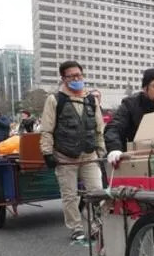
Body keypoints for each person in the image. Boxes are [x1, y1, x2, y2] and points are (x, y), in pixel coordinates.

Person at [40, 60, 106, 240]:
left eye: (79, 75)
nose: (77, 78)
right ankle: (76, 227)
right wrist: (47, 153)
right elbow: (46, 129)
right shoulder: (55, 100)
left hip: (89, 155)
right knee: (70, 195)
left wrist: (102, 152)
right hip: (65, 156)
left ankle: (97, 226)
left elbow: (99, 128)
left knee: (97, 192)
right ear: (63, 78)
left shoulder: (91, 99)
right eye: (72, 76)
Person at [105, 68, 154, 163]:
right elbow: (114, 128)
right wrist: (115, 149)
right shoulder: (130, 105)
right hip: (131, 159)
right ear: (145, 88)